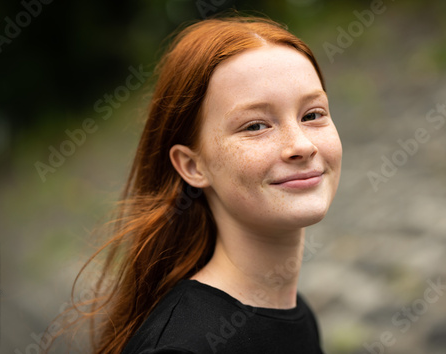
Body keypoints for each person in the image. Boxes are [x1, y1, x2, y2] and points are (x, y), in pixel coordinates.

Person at [59, 15, 342, 354]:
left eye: (312, 114)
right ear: (193, 166)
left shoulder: (297, 313)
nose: (302, 145)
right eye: (255, 126)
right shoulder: (183, 347)